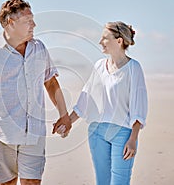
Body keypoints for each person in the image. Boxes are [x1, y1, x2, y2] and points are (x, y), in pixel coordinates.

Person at [0, 0, 71, 185]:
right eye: (27, 21)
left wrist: (64, 114)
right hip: (1, 132)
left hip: (34, 132)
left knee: (32, 182)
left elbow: (51, 83)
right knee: (8, 183)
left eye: (33, 19)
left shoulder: (39, 48)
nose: (34, 25)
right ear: (10, 23)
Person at [53, 21, 148, 185]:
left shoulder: (134, 68)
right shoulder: (99, 66)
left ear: (119, 41)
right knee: (102, 182)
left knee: (120, 182)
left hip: (123, 134)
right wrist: (67, 121)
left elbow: (139, 106)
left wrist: (133, 139)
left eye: (105, 38)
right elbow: (86, 100)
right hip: (97, 132)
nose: (100, 42)